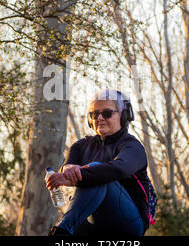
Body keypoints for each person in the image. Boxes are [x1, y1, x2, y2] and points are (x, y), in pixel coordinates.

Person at [45, 89, 151, 236]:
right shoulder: (80, 146)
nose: (99, 118)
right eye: (94, 114)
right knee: (90, 178)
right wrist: (67, 170)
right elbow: (67, 167)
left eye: (106, 113)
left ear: (123, 116)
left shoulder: (132, 146)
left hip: (129, 224)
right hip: (92, 222)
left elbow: (119, 169)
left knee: (97, 171)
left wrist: (81, 173)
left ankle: (61, 232)